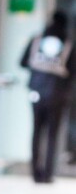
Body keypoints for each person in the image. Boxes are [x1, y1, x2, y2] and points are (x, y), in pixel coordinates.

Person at [20, 9, 75, 183]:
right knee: (53, 133)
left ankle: (35, 172)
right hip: (58, 95)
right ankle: (48, 173)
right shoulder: (68, 44)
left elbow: (22, 62)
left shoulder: (37, 40)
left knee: (36, 131)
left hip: (36, 92)